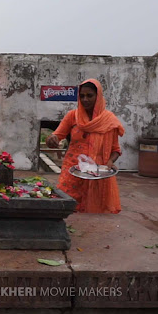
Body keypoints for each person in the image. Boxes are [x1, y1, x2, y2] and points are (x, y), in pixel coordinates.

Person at [46, 79, 125, 214]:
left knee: (92, 211)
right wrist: (51, 139)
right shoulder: (73, 116)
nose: (85, 99)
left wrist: (110, 162)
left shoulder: (109, 120)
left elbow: (116, 150)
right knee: (65, 205)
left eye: (89, 96)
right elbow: (56, 136)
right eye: (82, 96)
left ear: (98, 96)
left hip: (96, 172)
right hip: (72, 170)